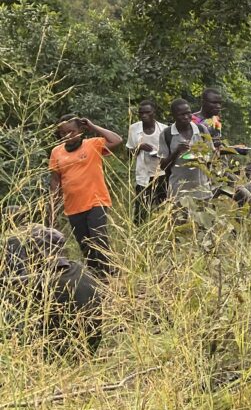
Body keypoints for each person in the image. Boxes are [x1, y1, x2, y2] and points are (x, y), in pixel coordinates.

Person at [4, 225, 103, 354]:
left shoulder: (45, 283)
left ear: (38, 253)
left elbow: (20, 289)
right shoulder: (79, 268)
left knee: (11, 316)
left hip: (64, 354)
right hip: (89, 348)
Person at [48, 114, 122, 276]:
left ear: (81, 130)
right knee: (85, 244)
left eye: (72, 131)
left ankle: (109, 273)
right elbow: (55, 181)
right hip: (73, 206)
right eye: (63, 133)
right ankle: (96, 275)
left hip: (97, 201)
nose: (68, 136)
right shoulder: (56, 152)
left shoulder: (92, 144)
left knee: (98, 238)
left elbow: (116, 140)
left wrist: (93, 126)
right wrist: (53, 206)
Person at [159, 99, 213, 202]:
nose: (186, 117)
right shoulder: (167, 134)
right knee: (179, 218)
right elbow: (162, 165)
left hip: (202, 191)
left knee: (203, 217)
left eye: (188, 113)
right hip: (178, 193)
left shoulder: (201, 130)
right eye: (181, 114)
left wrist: (202, 156)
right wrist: (177, 152)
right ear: (174, 115)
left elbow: (211, 156)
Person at [126, 100, 168, 223]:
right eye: (141, 113)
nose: (144, 115)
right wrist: (139, 148)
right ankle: (140, 235)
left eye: (147, 112)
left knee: (163, 207)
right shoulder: (134, 128)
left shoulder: (163, 129)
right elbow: (129, 154)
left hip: (161, 174)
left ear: (154, 112)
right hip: (143, 176)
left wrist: (159, 155)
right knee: (141, 211)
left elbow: (169, 152)